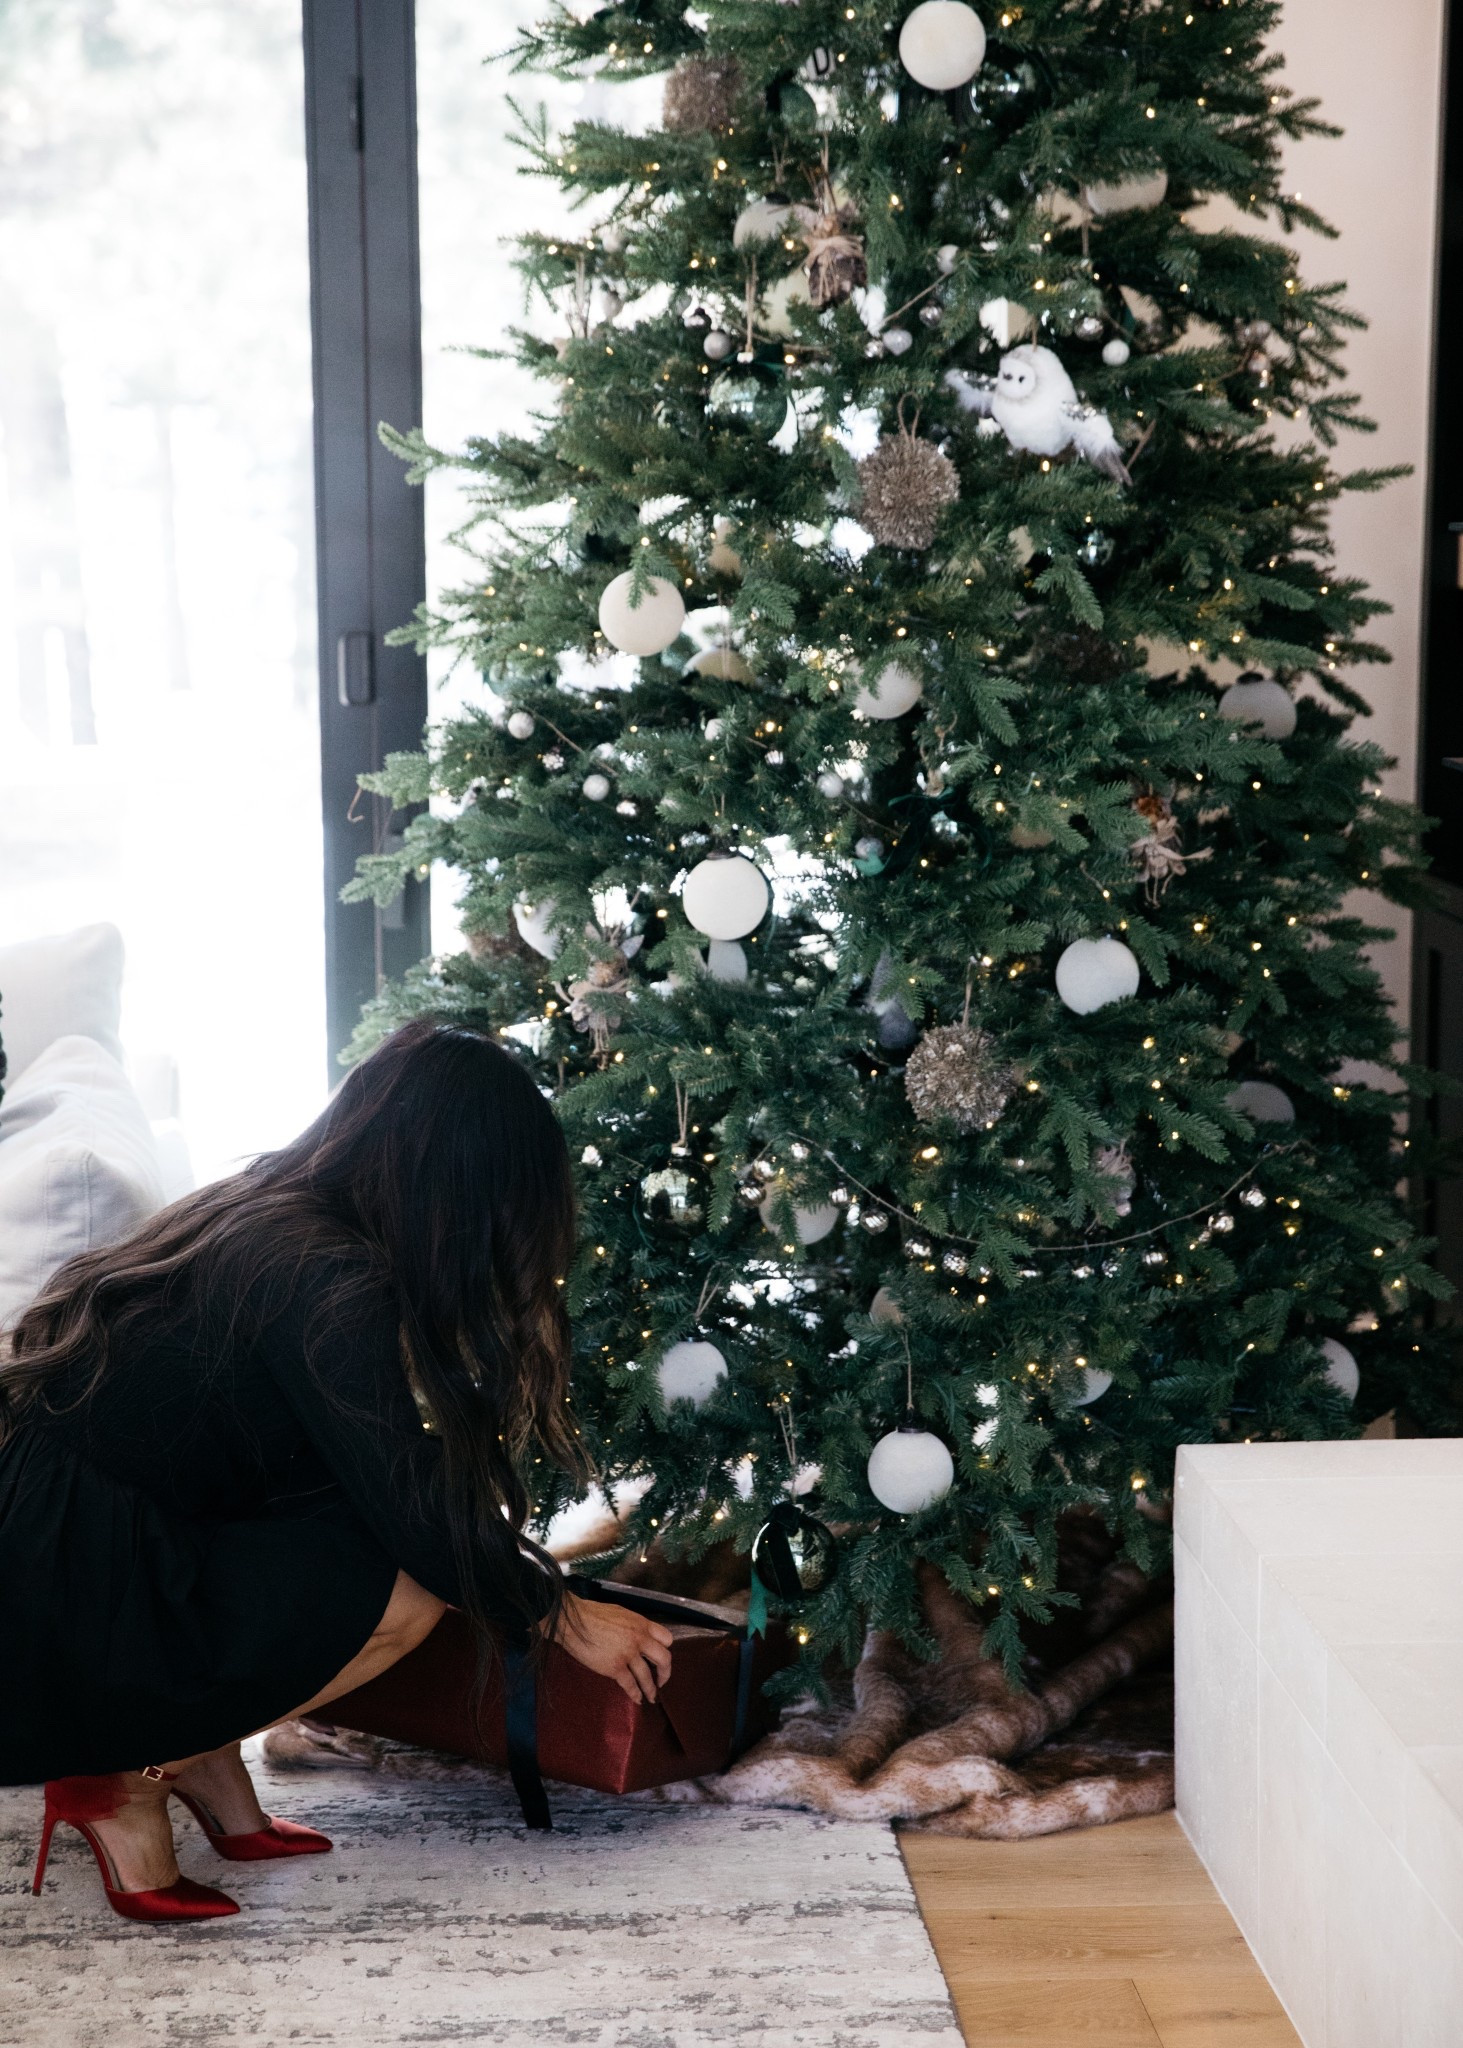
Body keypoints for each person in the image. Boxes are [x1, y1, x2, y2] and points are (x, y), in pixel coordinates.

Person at [0, 1019, 673, 1922]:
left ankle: (201, 1755)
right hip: (65, 1589)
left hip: (79, 1538)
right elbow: (409, 1504)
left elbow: (372, 1475)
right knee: (408, 1592)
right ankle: (126, 1780)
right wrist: (560, 1613)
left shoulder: (273, 1212)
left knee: (385, 1547)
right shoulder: (320, 1272)